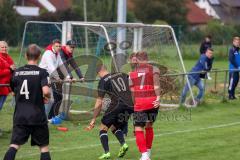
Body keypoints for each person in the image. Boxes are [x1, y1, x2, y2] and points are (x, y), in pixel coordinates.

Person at [3, 44, 51, 160]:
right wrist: (47, 97)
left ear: (25, 56)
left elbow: (13, 92)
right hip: (37, 116)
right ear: (39, 56)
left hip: (20, 116)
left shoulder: (17, 72)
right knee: (43, 147)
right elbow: (46, 91)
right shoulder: (42, 72)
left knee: (14, 145)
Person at [86, 65, 133, 159]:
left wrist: (93, 119)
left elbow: (99, 101)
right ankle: (123, 144)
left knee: (103, 128)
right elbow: (132, 85)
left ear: (99, 72)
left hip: (117, 105)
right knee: (113, 126)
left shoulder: (104, 80)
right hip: (130, 105)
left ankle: (106, 153)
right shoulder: (122, 74)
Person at [129, 51, 160, 160]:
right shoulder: (155, 69)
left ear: (137, 59)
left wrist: (134, 105)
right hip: (152, 102)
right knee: (149, 126)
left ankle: (144, 155)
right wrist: (158, 98)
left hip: (140, 103)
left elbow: (132, 93)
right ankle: (148, 151)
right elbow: (156, 86)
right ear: (147, 58)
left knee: (138, 128)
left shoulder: (131, 74)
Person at [39, 39, 69, 120]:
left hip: (51, 77)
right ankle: (45, 117)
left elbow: (61, 65)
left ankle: (51, 117)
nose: (58, 47)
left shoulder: (57, 54)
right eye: (57, 46)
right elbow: (51, 67)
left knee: (58, 97)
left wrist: (68, 77)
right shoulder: (48, 53)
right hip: (43, 77)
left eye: (59, 46)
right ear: (53, 46)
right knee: (49, 99)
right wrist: (58, 78)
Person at [0, 41, 16, 136]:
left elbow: (12, 70)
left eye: (5, 47)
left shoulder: (8, 58)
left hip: (5, 88)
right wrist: (9, 69)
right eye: (2, 47)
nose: (4, 49)